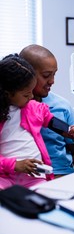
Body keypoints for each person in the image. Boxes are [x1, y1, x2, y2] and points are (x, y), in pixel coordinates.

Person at [19, 45, 74, 176]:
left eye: (54, 74)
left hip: (62, 175)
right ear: (26, 74)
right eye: (46, 75)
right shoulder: (9, 109)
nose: (52, 81)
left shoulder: (62, 106)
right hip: (23, 178)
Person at [0, 54, 58, 189]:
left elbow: (54, 123)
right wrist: (15, 165)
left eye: (32, 92)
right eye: (26, 94)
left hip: (34, 176)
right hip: (4, 176)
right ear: (7, 93)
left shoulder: (32, 107)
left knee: (46, 197)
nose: (32, 97)